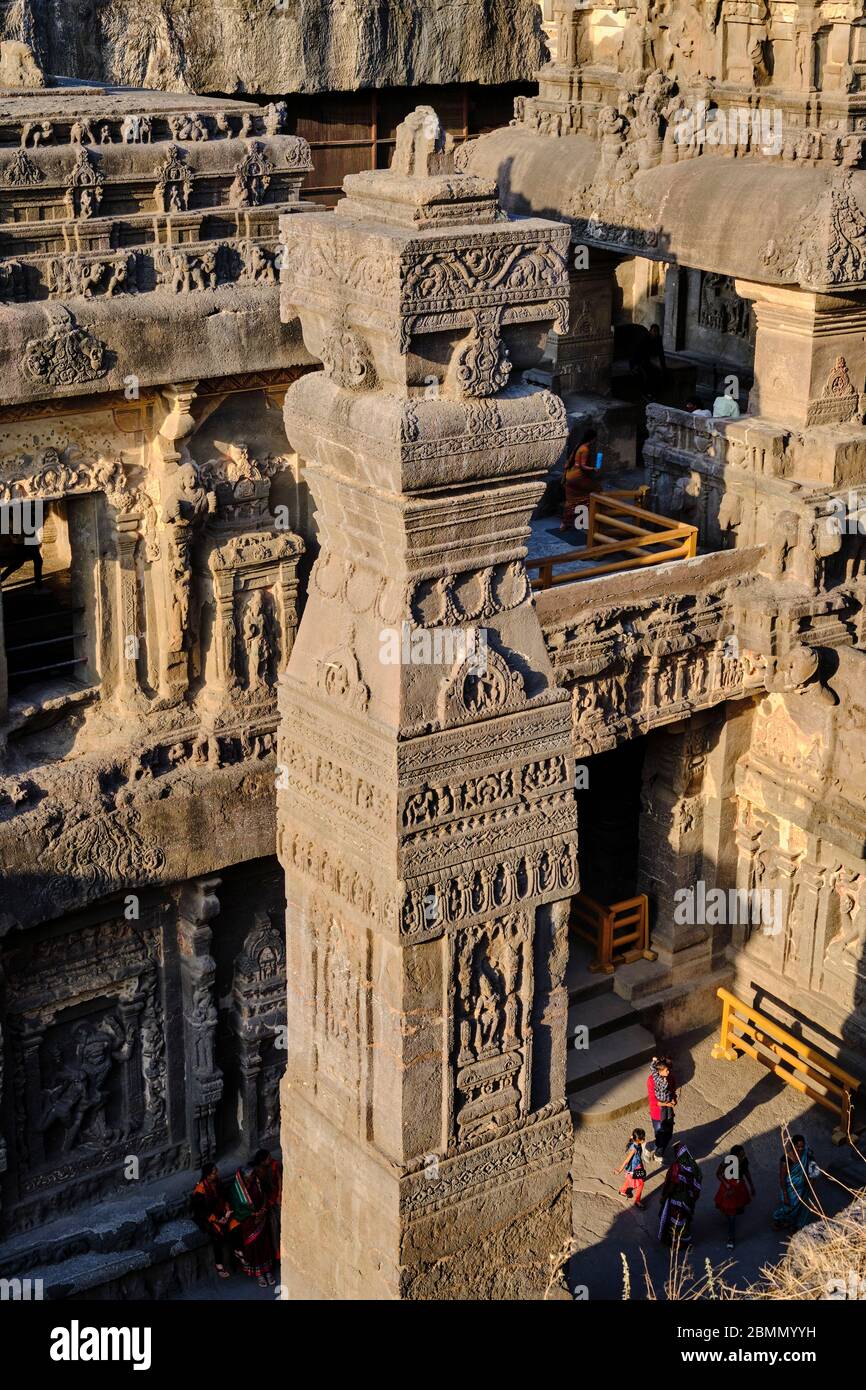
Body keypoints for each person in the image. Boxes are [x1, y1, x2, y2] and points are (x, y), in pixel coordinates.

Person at [229, 1157, 278, 1286]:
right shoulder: (236, 1190)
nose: (253, 1177)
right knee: (254, 1247)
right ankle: (259, 1274)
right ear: (245, 1177)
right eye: (251, 1175)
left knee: (265, 1244)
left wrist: (262, 1210)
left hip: (261, 1219)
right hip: (249, 1222)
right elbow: (237, 1208)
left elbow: (264, 1197)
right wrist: (252, 1214)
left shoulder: (257, 1183)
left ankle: (267, 1271)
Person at [191, 1162, 234, 1278]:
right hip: (207, 1218)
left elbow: (224, 1197)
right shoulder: (200, 1190)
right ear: (208, 1175)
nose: (217, 1174)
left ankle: (238, 1255)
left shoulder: (217, 1183)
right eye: (214, 1173)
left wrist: (227, 1210)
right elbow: (201, 1211)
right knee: (217, 1235)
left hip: (220, 1212)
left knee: (235, 1225)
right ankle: (219, 1264)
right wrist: (217, 1220)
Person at [658, 1141, 702, 1247]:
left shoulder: (677, 1167)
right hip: (689, 1199)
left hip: (677, 1199)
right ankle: (685, 1240)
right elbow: (698, 1183)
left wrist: (665, 1196)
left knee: (676, 1220)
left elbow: (672, 1184)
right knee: (685, 1218)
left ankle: (676, 1242)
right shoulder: (694, 1166)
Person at [773, 1134, 818, 1233]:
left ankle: (795, 1225)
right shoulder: (786, 1160)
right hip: (791, 1189)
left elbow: (813, 1166)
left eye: (802, 1146)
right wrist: (785, 1194)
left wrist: (812, 1181)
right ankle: (778, 1220)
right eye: (798, 1147)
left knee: (801, 1208)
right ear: (793, 1146)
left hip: (804, 1187)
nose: (801, 1149)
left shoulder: (807, 1153)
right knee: (788, 1208)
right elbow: (782, 1178)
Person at [714, 1143, 755, 1249]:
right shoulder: (727, 1161)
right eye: (741, 1155)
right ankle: (731, 1238)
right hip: (729, 1188)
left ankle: (729, 1220)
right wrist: (727, 1185)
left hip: (739, 1187)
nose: (743, 1156)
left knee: (734, 1210)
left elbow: (746, 1172)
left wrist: (751, 1186)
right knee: (732, 1214)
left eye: (743, 1154)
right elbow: (718, 1174)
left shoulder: (744, 1161)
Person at [560, 428, 599, 531]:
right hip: (577, 477)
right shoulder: (585, 449)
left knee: (571, 501)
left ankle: (565, 523)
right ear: (592, 439)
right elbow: (582, 466)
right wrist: (593, 468)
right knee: (595, 491)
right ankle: (590, 521)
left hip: (570, 475)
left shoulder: (578, 446)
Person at [253, 1147, 282, 1262]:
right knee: (273, 1226)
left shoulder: (275, 1165)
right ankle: (277, 1252)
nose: (271, 1159)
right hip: (266, 1202)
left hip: (276, 1199)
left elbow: (279, 1179)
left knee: (281, 1222)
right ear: (262, 1161)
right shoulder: (257, 1171)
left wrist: (279, 1195)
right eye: (268, 1158)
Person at [646, 1055, 677, 1161]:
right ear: (660, 1070)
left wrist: (673, 1099)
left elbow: (673, 1091)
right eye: (667, 1070)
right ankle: (654, 1149)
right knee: (660, 1133)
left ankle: (659, 1151)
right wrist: (665, 1104)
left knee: (668, 1133)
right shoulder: (651, 1080)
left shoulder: (670, 1078)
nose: (668, 1072)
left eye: (669, 1070)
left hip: (668, 1110)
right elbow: (653, 1099)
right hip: (657, 1112)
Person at [613, 1127, 648, 1209]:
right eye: (642, 1138)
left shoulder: (636, 1143)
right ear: (638, 1140)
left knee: (629, 1181)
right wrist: (619, 1170)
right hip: (633, 1170)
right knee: (641, 1184)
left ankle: (622, 1191)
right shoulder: (633, 1149)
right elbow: (626, 1161)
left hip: (636, 1167)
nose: (644, 1139)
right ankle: (637, 1201)